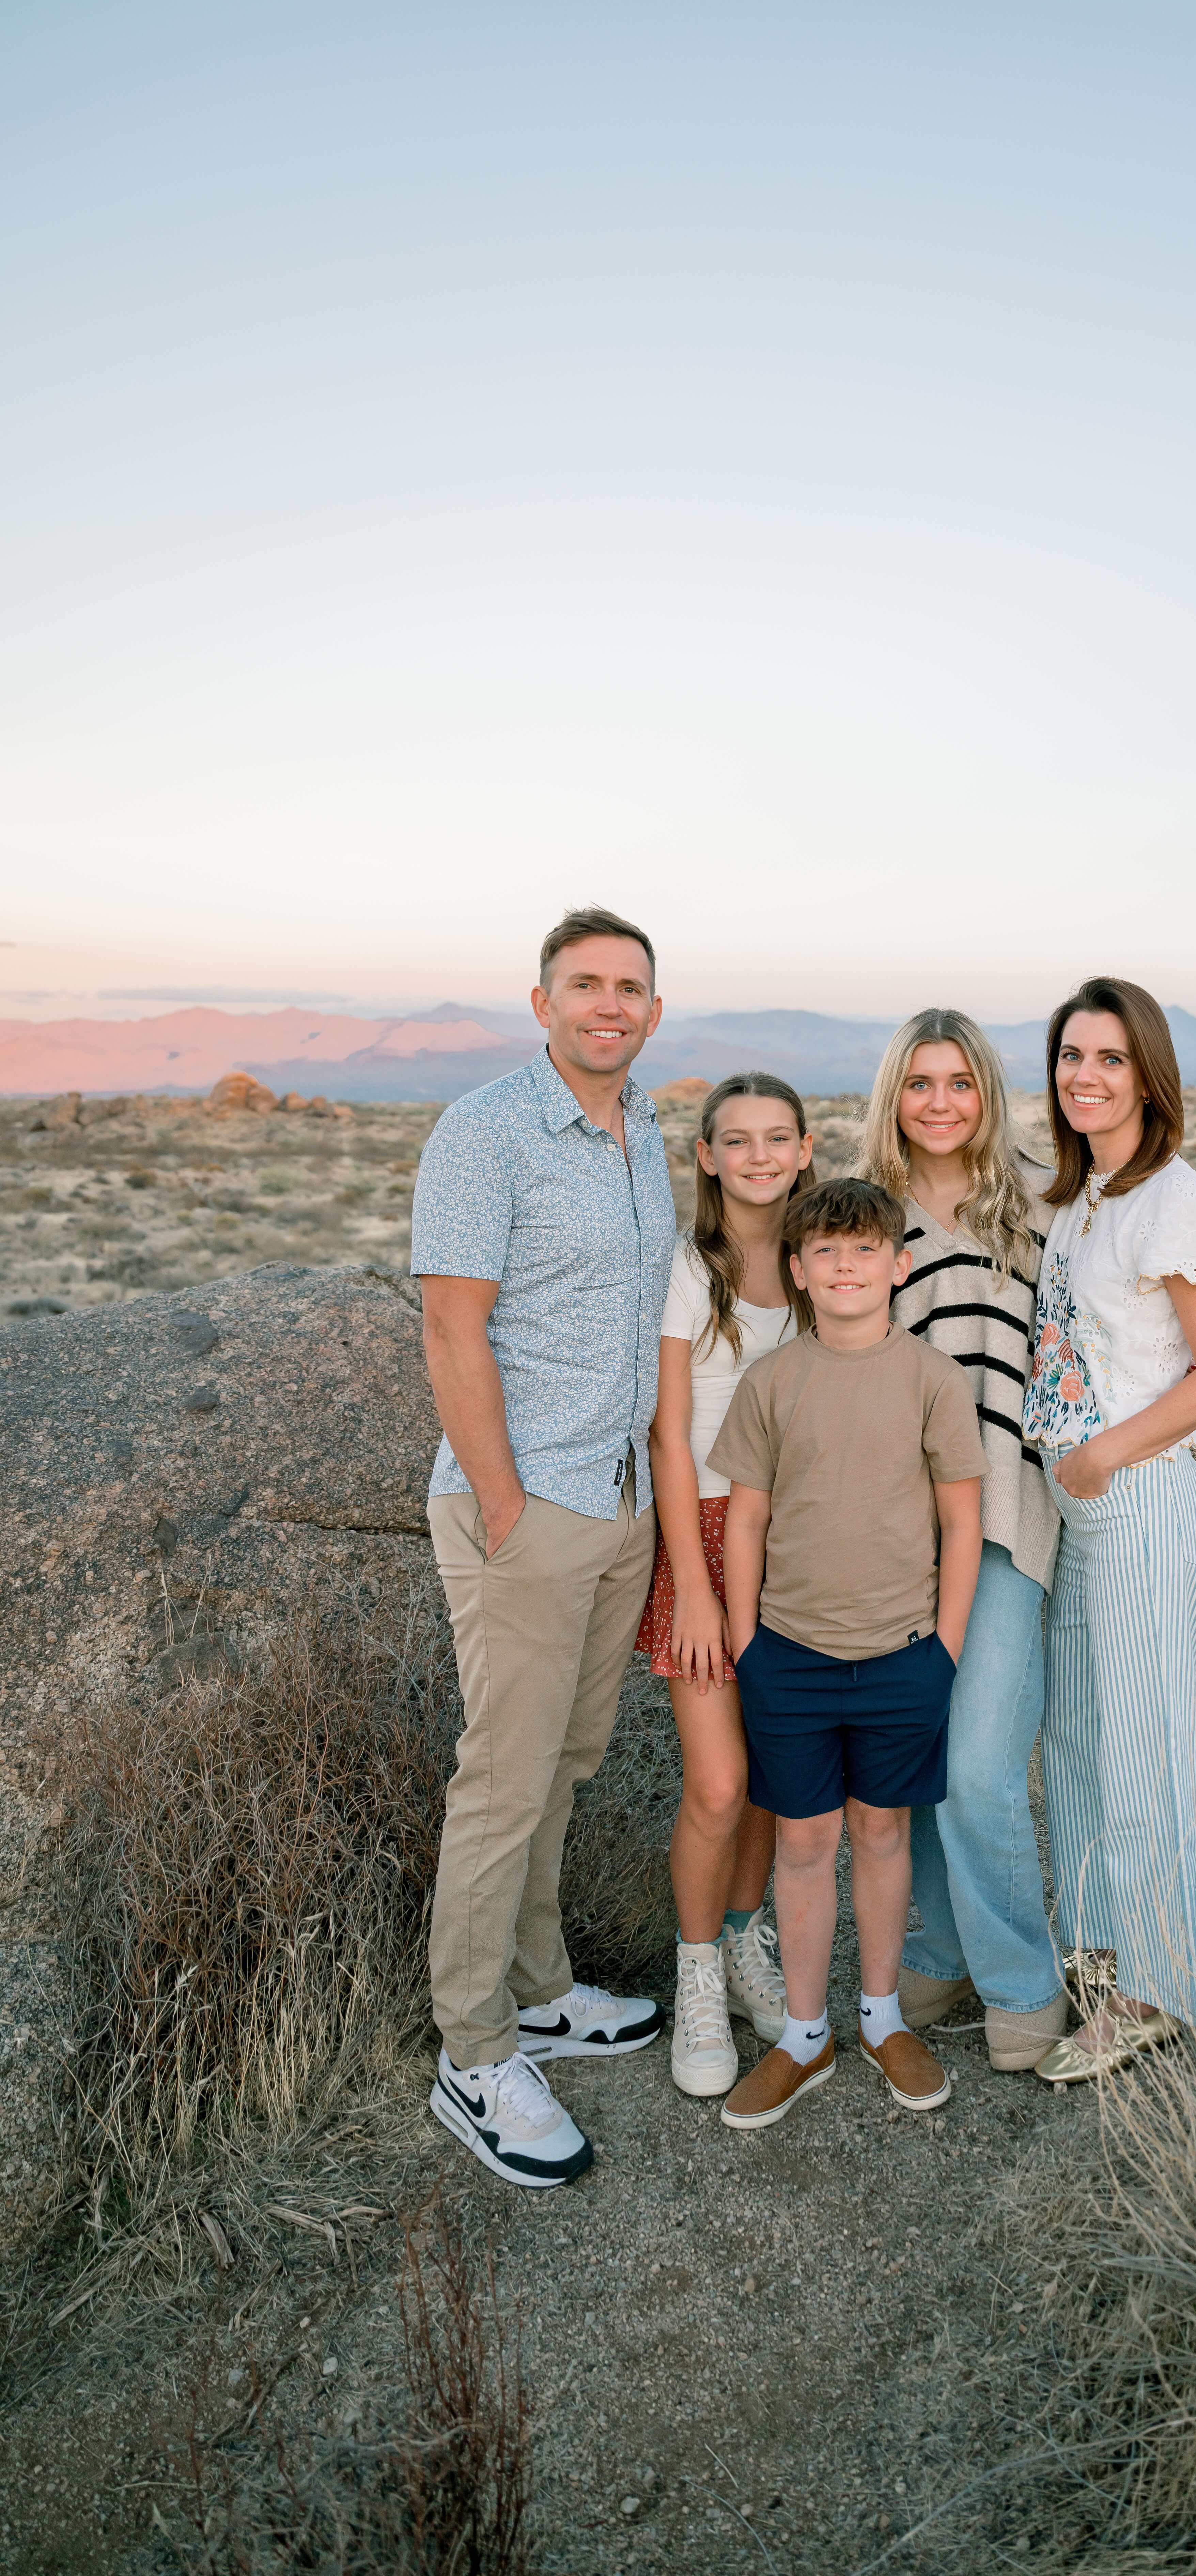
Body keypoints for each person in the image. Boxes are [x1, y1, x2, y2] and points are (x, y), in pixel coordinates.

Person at [412, 905, 675, 2191]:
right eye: (586, 986)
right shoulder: (487, 1132)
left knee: (564, 1765)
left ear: (653, 1013)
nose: (607, 1006)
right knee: (504, 1781)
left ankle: (540, 1995)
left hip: (617, 1504)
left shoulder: (649, 1136)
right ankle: (473, 2054)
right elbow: (454, 1332)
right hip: (530, 1509)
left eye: (629, 988)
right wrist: (507, 1508)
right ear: (543, 1004)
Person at [710, 1178, 985, 2132]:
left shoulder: (931, 1379)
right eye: (824, 1252)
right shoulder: (774, 1382)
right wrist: (747, 1642)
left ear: (898, 1266)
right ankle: (801, 2034)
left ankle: (879, 2017)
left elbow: (962, 1515)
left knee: (881, 1834)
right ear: (797, 1271)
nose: (844, 1266)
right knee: (803, 1841)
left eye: (864, 1250)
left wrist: (946, 1649)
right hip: (788, 1655)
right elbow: (746, 1517)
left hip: (905, 1655)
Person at [1021, 977, 1196, 2085]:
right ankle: (1102, 1958)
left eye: (1108, 1058)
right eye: (1071, 1056)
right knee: (1079, 1737)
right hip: (1079, 1512)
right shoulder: (1086, 1196)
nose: (1085, 1076)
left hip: (1144, 1500)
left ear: (1147, 1073)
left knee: (1148, 1740)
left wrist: (1108, 1454)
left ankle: (1159, 1989)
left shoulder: (1174, 1200)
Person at [857, 1010, 1068, 2071]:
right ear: (893, 1096)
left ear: (985, 1092)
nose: (939, 1103)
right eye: (919, 1084)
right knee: (917, 1760)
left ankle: (1026, 1984)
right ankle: (937, 1956)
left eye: (959, 1083)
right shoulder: (862, 1219)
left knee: (982, 1766)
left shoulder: (1039, 1199)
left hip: (1004, 1518)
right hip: (892, 1534)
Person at [641, 1074, 813, 2096]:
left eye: (776, 1138)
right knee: (717, 1782)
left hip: (799, 1545)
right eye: (736, 1140)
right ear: (706, 1156)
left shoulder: (821, 1262)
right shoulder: (685, 1270)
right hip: (704, 1537)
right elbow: (670, 1434)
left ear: (805, 1148)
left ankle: (749, 1940)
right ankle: (698, 1971)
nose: (757, 1156)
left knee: (776, 1776)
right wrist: (695, 1590)